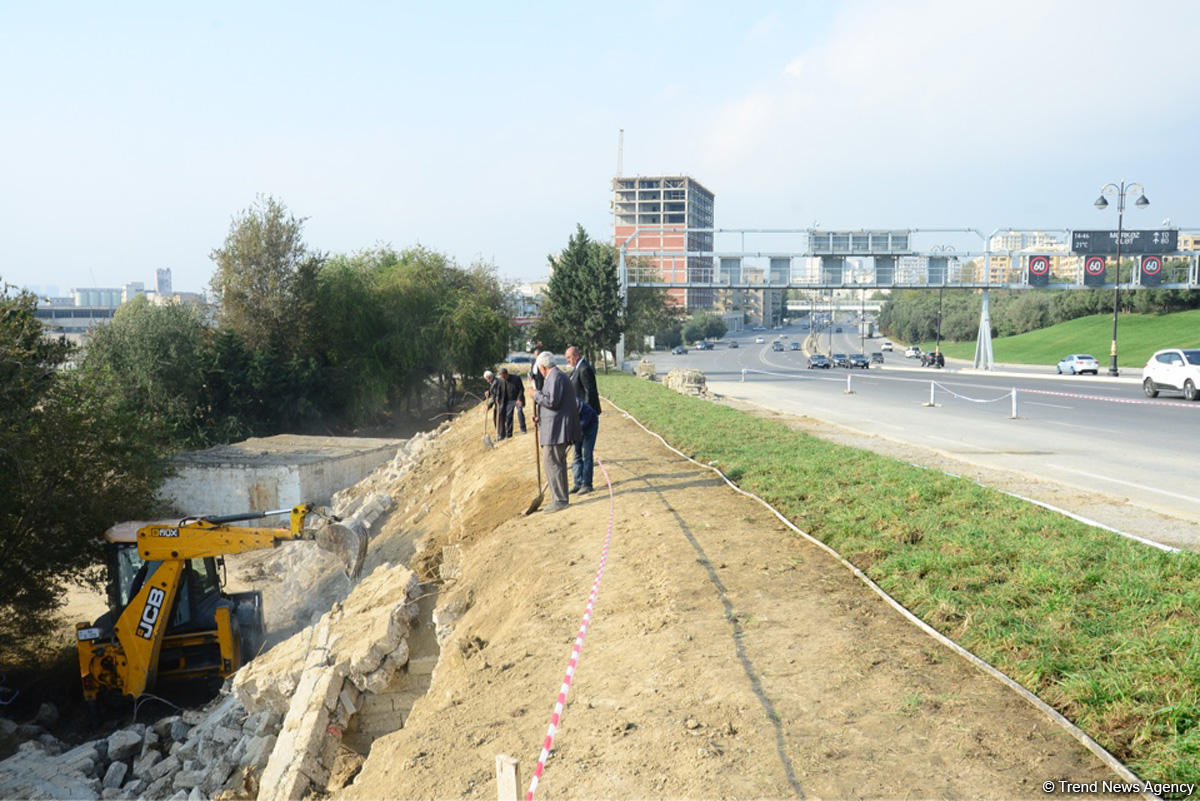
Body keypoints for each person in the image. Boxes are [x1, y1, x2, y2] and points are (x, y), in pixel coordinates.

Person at [528, 350, 581, 513]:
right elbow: (552, 402)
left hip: (556, 430)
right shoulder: (553, 377)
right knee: (554, 463)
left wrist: (535, 394)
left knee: (553, 463)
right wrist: (540, 419)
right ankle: (559, 498)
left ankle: (560, 499)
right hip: (552, 428)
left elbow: (552, 401)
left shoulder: (556, 377)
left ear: (543, 367)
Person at [565, 345, 601, 494]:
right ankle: (577, 482)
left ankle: (587, 483)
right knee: (577, 452)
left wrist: (585, 419)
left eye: (569, 358)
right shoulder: (575, 370)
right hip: (578, 417)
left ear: (577, 356)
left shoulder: (585, 369)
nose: (568, 361)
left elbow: (590, 394)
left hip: (587, 417)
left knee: (587, 452)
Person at [498, 367, 525, 438]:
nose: (503, 378)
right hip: (509, 401)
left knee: (519, 412)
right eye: (501, 377)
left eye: (504, 376)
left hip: (517, 399)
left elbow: (521, 389)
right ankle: (509, 434)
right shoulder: (501, 381)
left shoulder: (516, 378)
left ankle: (523, 429)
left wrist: (519, 399)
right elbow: (499, 391)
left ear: (506, 374)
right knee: (508, 417)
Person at [483, 369, 503, 438]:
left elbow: (495, 396)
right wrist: (488, 393)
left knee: (499, 419)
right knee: (496, 418)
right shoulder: (493, 382)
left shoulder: (496, 382)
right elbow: (493, 392)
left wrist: (489, 406)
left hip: (500, 403)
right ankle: (499, 434)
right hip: (498, 402)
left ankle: (500, 435)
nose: (486, 381)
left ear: (489, 377)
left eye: (486, 379)